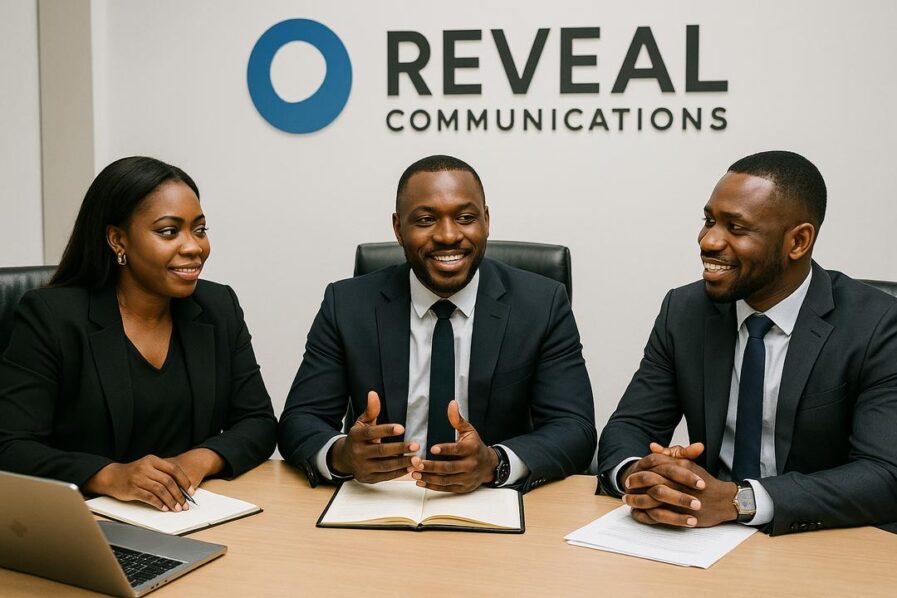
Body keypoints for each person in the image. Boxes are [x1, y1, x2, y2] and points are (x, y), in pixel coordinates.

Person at [597, 150, 897, 535]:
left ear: (798, 241)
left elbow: (884, 474)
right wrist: (641, 475)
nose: (708, 241)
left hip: (816, 538)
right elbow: (630, 425)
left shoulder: (876, 326)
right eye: (709, 221)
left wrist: (740, 501)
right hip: (702, 533)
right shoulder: (684, 310)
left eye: (736, 228)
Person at [278, 155, 595, 493]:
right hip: (380, 498)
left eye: (465, 218)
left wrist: (495, 462)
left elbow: (573, 428)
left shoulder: (542, 305)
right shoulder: (347, 305)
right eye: (426, 220)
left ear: (486, 220)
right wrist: (342, 454)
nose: (448, 235)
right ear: (398, 228)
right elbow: (300, 420)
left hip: (492, 498)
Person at [0, 156, 277, 512]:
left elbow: (258, 423)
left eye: (199, 229)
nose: (194, 246)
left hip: (187, 514)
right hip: (89, 519)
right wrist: (109, 475)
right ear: (118, 240)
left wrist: (199, 460)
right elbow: (11, 446)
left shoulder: (218, 306)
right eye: (169, 231)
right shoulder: (52, 316)